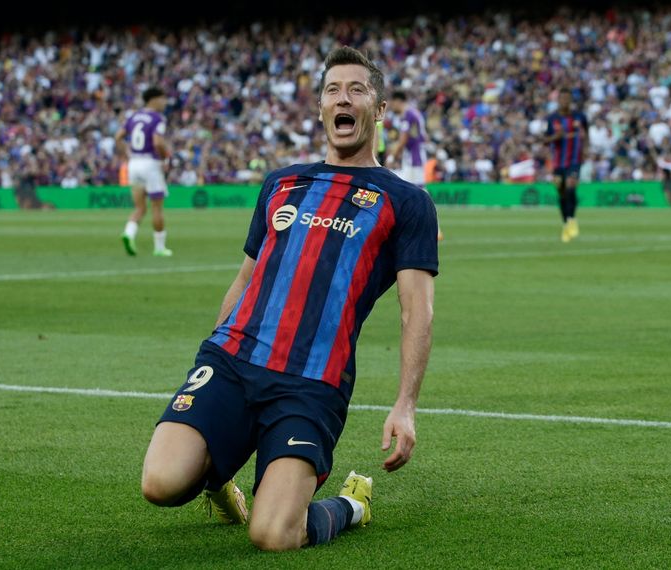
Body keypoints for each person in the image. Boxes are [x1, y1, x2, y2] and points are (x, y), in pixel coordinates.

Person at [141, 46, 438, 551]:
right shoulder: (282, 182)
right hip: (234, 361)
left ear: (380, 110)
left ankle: (351, 504)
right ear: (321, 107)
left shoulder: (407, 201)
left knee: (273, 534)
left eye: (357, 90)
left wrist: (405, 405)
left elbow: (418, 310)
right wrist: (209, 351)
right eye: (332, 90)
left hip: (311, 381)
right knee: (161, 484)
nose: (343, 99)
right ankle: (218, 482)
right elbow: (245, 280)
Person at [115, 87, 172, 257]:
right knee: (157, 207)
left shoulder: (133, 116)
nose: (165, 102)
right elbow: (157, 143)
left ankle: (128, 233)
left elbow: (118, 137)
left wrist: (126, 155)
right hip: (150, 164)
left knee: (140, 207)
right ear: (153, 99)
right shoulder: (158, 118)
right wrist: (165, 159)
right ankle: (160, 247)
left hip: (134, 163)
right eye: (163, 99)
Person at [386, 90, 443, 240]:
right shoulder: (414, 113)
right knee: (412, 190)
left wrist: (392, 156)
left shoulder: (408, 115)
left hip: (414, 158)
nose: (391, 106)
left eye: (392, 103)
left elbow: (404, 139)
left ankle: (434, 227)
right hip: (413, 157)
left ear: (399, 101)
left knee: (417, 191)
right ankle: (421, 227)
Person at [543, 87, 588, 242]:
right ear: (558, 100)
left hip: (575, 159)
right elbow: (545, 140)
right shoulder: (552, 118)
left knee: (571, 185)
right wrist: (557, 136)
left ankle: (572, 219)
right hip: (558, 161)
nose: (565, 101)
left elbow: (586, 134)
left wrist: (586, 149)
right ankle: (565, 224)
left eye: (568, 98)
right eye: (562, 99)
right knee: (560, 191)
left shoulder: (579, 116)